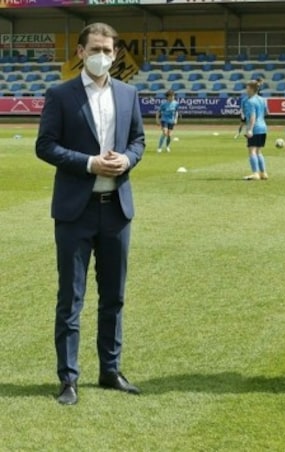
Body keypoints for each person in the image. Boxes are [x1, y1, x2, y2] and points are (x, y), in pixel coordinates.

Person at [35, 22, 145, 405]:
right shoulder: (60, 94)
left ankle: (110, 370)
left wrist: (126, 159)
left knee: (113, 297)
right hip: (74, 212)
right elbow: (45, 146)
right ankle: (68, 379)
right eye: (95, 49)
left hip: (116, 209)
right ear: (80, 52)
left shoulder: (128, 93)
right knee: (71, 298)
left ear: (116, 54)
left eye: (109, 50)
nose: (103, 56)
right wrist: (89, 163)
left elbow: (138, 140)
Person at [242, 79, 268, 180]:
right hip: (263, 127)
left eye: (247, 87)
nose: (246, 89)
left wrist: (250, 129)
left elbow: (252, 116)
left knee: (252, 151)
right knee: (259, 151)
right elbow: (266, 112)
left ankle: (255, 173)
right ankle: (263, 173)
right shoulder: (262, 99)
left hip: (255, 128)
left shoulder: (250, 101)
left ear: (252, 89)